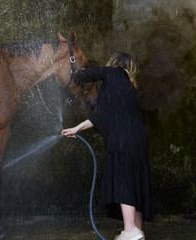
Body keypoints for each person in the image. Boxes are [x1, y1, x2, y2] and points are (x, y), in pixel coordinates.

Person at [61, 52, 153, 240]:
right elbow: (101, 117)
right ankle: (137, 231)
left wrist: (73, 75)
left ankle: (130, 231)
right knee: (136, 182)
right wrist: (77, 128)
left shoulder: (112, 72)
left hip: (122, 138)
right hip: (139, 138)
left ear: (115, 63)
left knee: (124, 180)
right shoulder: (129, 88)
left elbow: (88, 76)